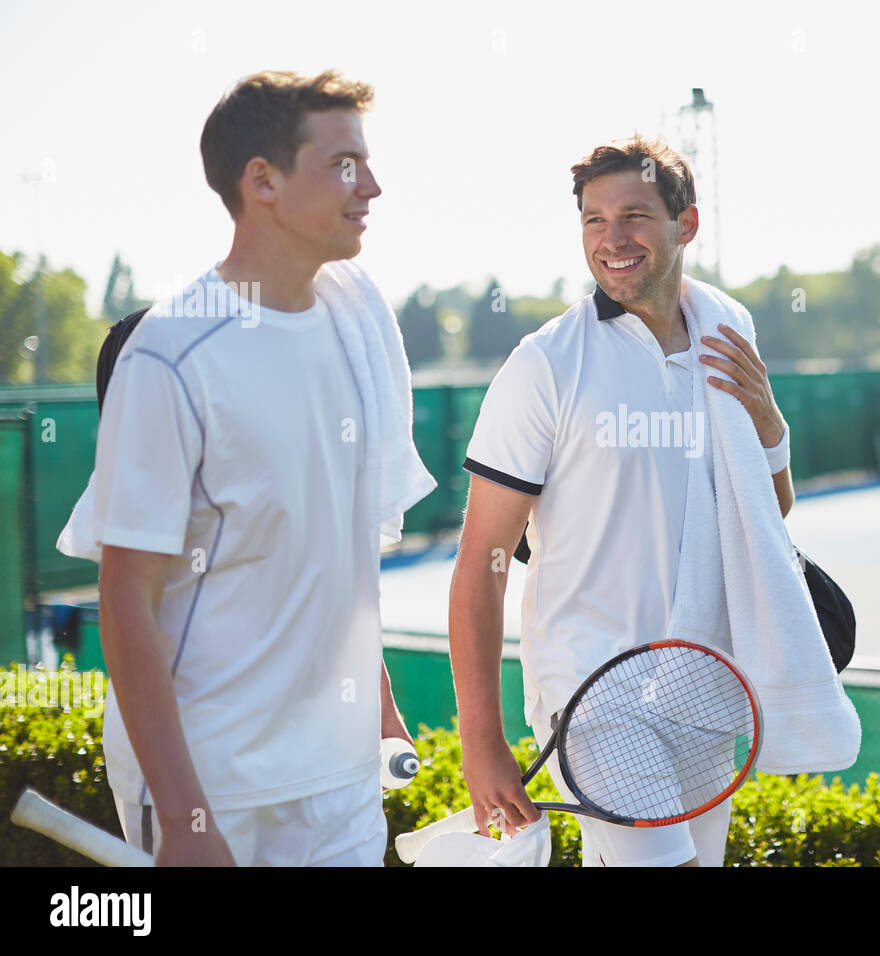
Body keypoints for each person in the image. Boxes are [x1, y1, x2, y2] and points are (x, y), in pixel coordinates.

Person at [55, 69, 436, 866]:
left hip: (339, 784)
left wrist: (380, 702)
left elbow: (339, 545)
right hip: (215, 786)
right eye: (342, 165)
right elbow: (128, 595)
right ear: (261, 180)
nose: (371, 185)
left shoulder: (358, 319)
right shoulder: (169, 357)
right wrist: (188, 817)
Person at [449, 135, 793, 867]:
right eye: (593, 220)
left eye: (634, 215)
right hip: (591, 692)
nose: (613, 239)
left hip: (701, 684)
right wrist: (481, 745)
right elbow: (482, 560)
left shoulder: (728, 330)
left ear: (686, 226)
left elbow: (769, 515)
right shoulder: (544, 365)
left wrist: (771, 425)